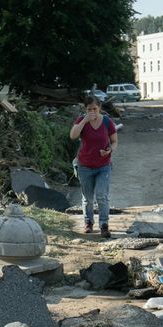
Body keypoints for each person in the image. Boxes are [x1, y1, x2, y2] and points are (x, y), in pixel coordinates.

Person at [70, 95, 118, 237]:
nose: (92, 112)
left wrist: (110, 149)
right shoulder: (81, 121)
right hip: (85, 166)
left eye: (95, 109)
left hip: (103, 166)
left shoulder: (107, 122)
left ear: (100, 108)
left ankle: (104, 225)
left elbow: (114, 141)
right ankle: (88, 222)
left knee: (102, 195)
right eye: (89, 109)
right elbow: (72, 136)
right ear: (85, 110)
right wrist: (84, 121)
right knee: (88, 198)